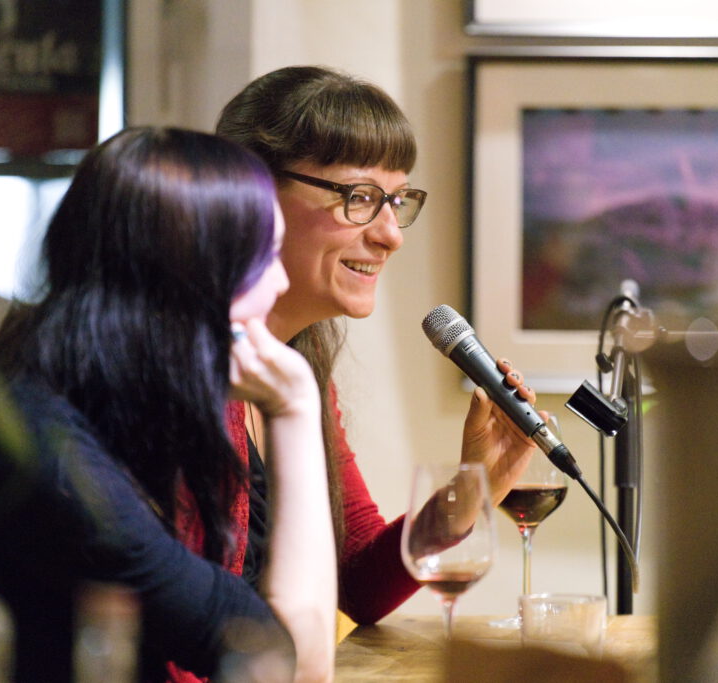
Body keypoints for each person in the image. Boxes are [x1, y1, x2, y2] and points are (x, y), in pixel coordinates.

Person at [0, 127, 337, 682]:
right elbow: (296, 664)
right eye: (265, 257)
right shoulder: (51, 456)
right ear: (190, 280)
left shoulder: (58, 383)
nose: (280, 283)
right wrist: (296, 408)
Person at [215, 65, 542, 623]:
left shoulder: (302, 362)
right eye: (360, 197)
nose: (390, 234)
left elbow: (356, 585)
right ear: (254, 193)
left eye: (398, 201)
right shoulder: (180, 368)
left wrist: (472, 490)